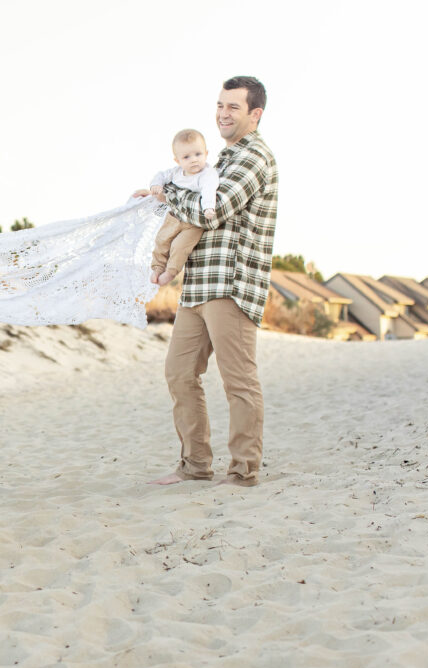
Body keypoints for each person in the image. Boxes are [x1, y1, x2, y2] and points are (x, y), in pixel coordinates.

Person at [148, 76, 279, 487]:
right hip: (199, 284)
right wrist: (160, 190)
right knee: (179, 372)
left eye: (233, 107)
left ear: (255, 114)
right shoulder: (218, 160)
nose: (223, 113)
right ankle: (195, 465)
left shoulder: (253, 157)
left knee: (238, 381)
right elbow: (190, 197)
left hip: (232, 283)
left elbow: (212, 210)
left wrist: (166, 195)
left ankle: (243, 471)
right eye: (220, 105)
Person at [133, 129, 220, 286]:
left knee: (179, 246)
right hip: (173, 216)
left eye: (198, 154)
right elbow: (160, 176)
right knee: (162, 240)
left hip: (192, 224)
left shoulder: (208, 174)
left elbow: (209, 190)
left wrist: (208, 208)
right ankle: (158, 267)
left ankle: (171, 272)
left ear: (206, 153)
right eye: (186, 157)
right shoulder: (176, 173)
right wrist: (155, 186)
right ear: (177, 160)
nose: (193, 160)